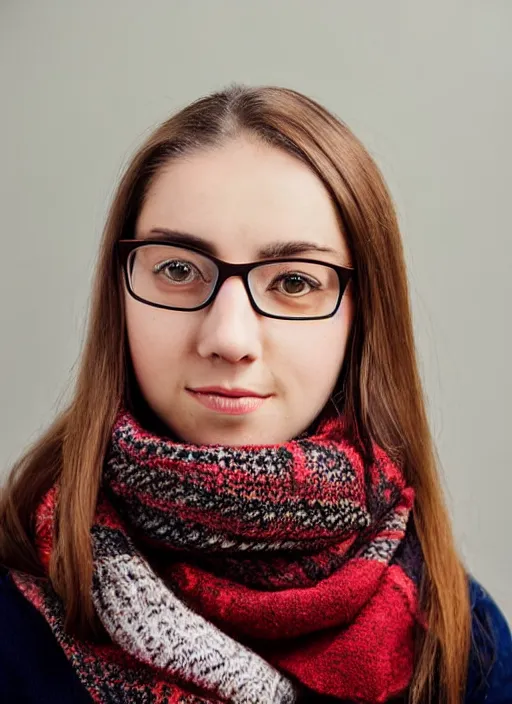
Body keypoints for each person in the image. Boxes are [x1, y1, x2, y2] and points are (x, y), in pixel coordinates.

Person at [0, 85, 510, 704]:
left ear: (362, 317)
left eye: (294, 281)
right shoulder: (13, 608)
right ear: (121, 292)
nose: (229, 337)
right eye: (179, 269)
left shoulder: (461, 637)